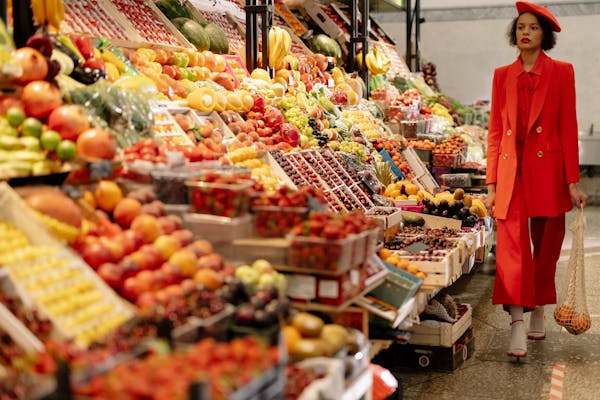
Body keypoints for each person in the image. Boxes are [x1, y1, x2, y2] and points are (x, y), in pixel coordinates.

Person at [484, 1, 588, 359]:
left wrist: (572, 181)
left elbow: (567, 126)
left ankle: (540, 307)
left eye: (533, 27)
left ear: (545, 35)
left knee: (546, 243)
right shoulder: (502, 75)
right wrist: (491, 184)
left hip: (549, 169)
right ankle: (516, 323)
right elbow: (496, 131)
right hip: (514, 171)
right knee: (512, 249)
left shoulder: (562, 72)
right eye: (520, 27)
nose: (525, 32)